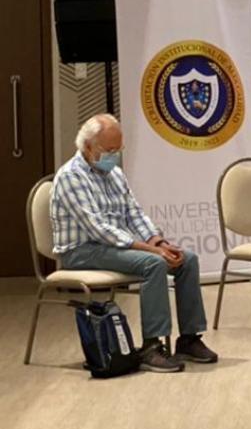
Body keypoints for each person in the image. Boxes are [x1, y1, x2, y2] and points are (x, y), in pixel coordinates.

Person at [50, 114, 217, 373]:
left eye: (119, 149)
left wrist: (159, 241)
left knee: (188, 259)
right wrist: (153, 250)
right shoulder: (71, 177)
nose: (114, 156)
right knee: (153, 264)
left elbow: (134, 214)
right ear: (88, 147)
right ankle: (152, 346)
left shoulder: (115, 174)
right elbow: (99, 229)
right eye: (109, 150)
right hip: (81, 250)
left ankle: (189, 339)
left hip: (112, 247)